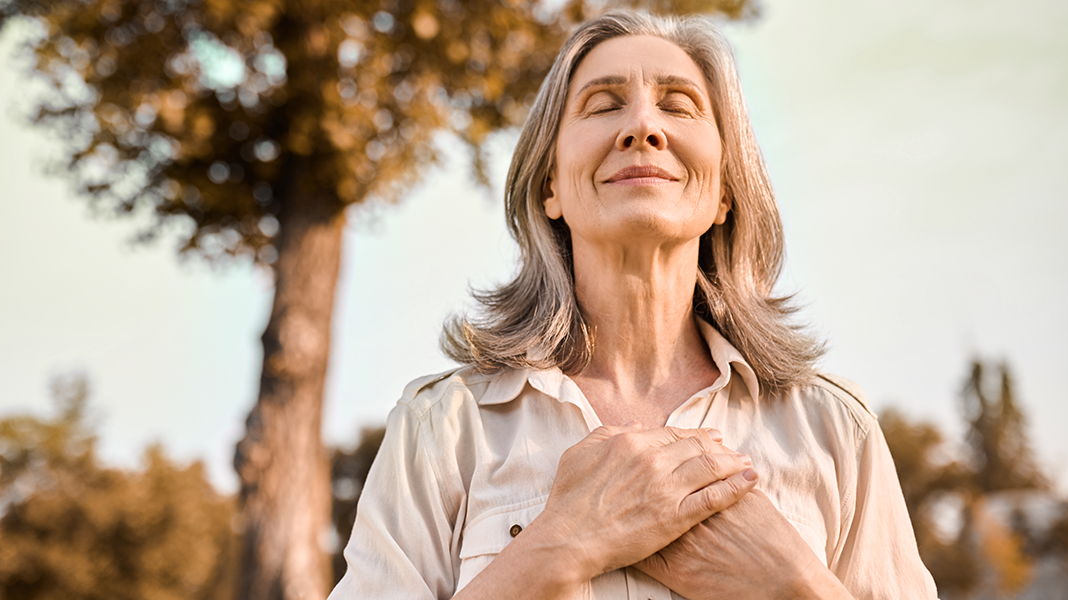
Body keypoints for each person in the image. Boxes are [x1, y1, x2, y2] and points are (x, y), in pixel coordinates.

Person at [329, 10, 937, 600]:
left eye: (678, 105)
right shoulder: (444, 427)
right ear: (550, 188)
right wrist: (561, 545)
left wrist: (794, 588)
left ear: (725, 189)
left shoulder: (836, 432)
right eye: (603, 105)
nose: (643, 127)